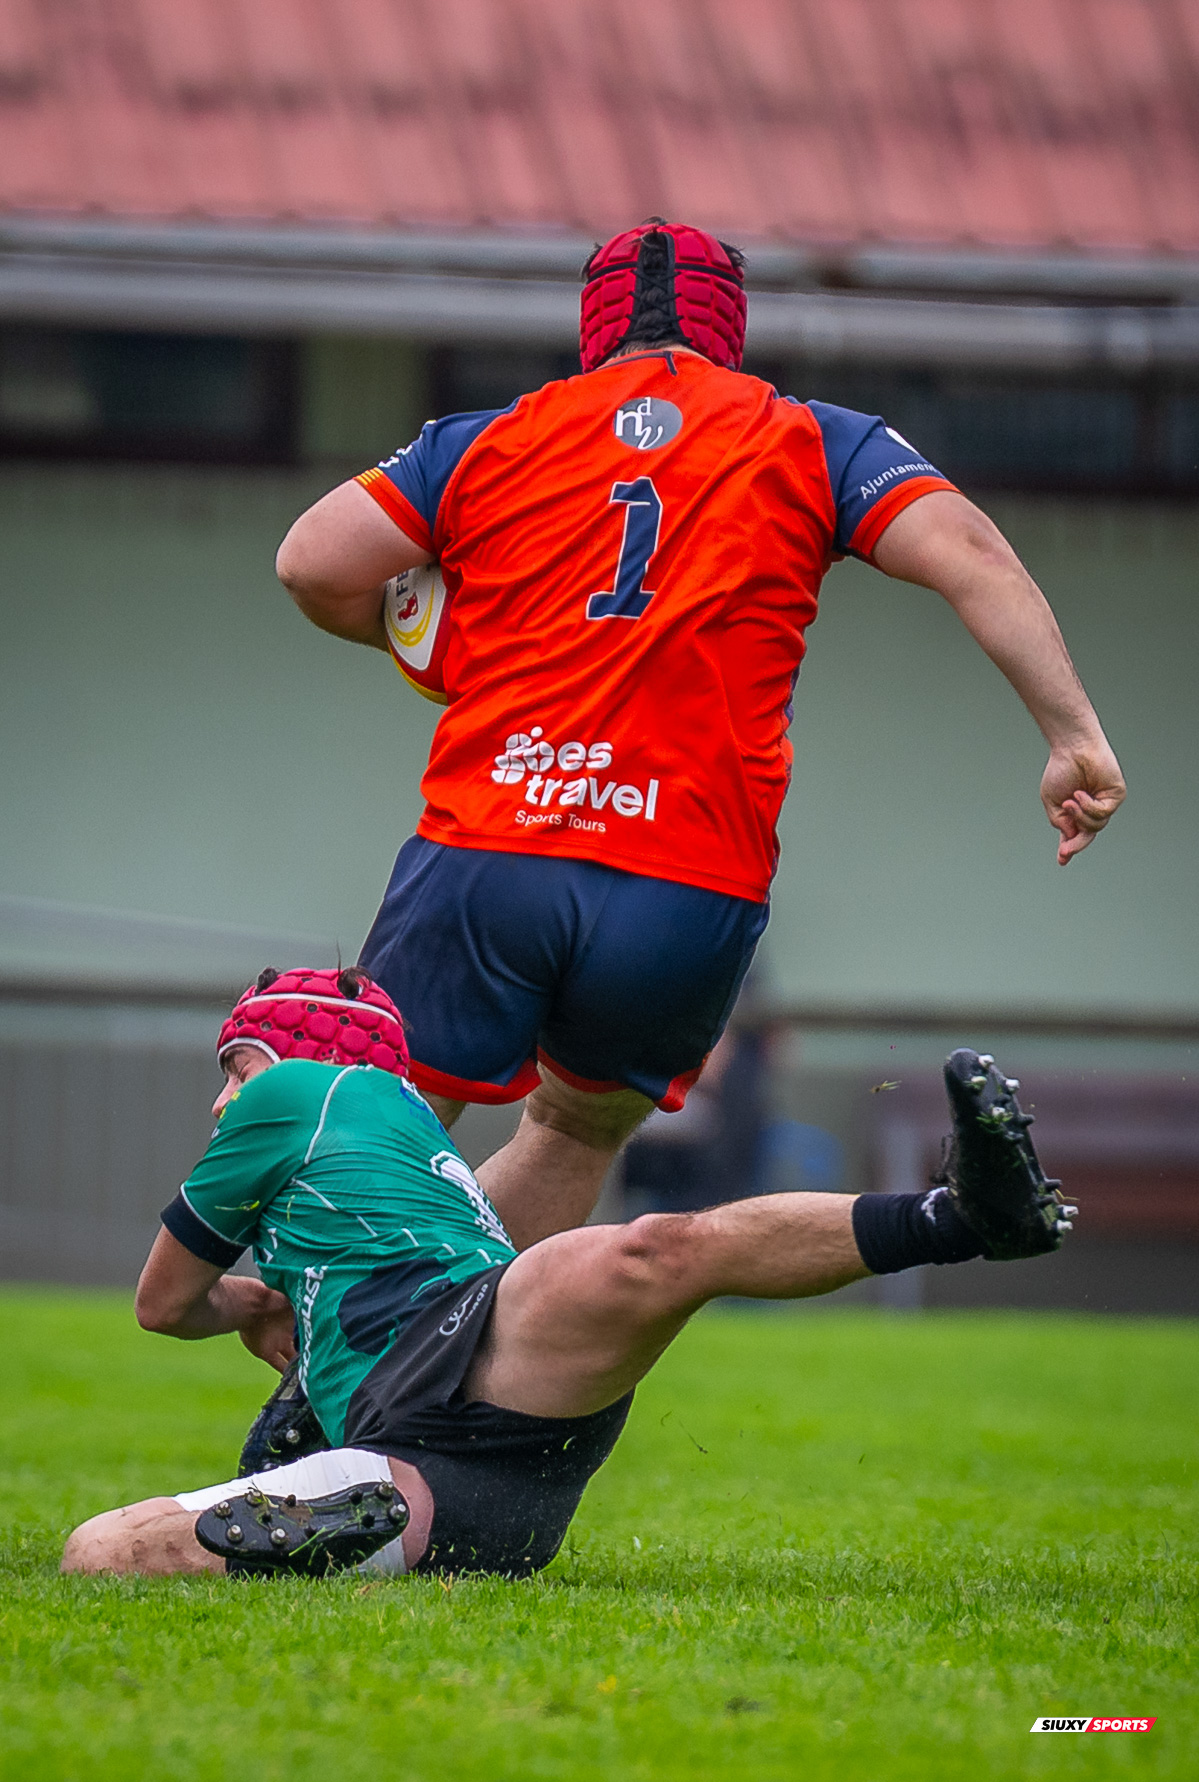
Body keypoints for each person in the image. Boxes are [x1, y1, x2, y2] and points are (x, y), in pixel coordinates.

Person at [275, 220, 1125, 1252]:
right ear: (730, 330)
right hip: (684, 878)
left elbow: (313, 561)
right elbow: (970, 553)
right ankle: (443, 1363)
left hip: (492, 838)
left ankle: (326, 1367)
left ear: (592, 327)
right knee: (575, 1129)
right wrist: (1068, 732)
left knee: (387, 1122)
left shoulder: (486, 439)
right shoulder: (810, 439)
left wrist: (432, 648)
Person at [62, 966, 1076, 1581]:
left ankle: (964, 1214)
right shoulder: (395, 1127)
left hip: (466, 1347)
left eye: (231, 1069)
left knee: (653, 1251)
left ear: (287, 1060)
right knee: (95, 1555)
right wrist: (271, 1307)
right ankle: (359, 1517)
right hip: (468, 1473)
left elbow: (162, 1303)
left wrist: (238, 1301)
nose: (220, 1102)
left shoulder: (295, 1096)